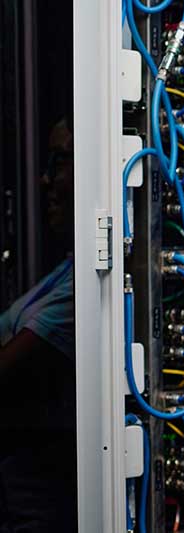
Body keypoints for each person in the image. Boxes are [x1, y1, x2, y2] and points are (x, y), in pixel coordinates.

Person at [0, 118, 77, 532]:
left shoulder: (87, 287)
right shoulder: (68, 270)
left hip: (43, 494)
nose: (45, 178)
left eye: (58, 161)